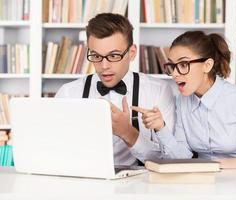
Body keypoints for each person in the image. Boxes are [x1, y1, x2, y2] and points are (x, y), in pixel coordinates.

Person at [132, 30, 236, 169]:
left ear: (207, 65)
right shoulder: (182, 102)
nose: (175, 74)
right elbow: (181, 157)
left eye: (183, 65)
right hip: (202, 183)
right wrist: (161, 128)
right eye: (172, 66)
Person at [55, 13, 175, 166]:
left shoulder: (158, 91)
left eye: (113, 56)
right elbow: (55, 150)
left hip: (140, 186)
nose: (104, 66)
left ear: (131, 53)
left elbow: (169, 160)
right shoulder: (68, 93)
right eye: (96, 56)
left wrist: (128, 133)